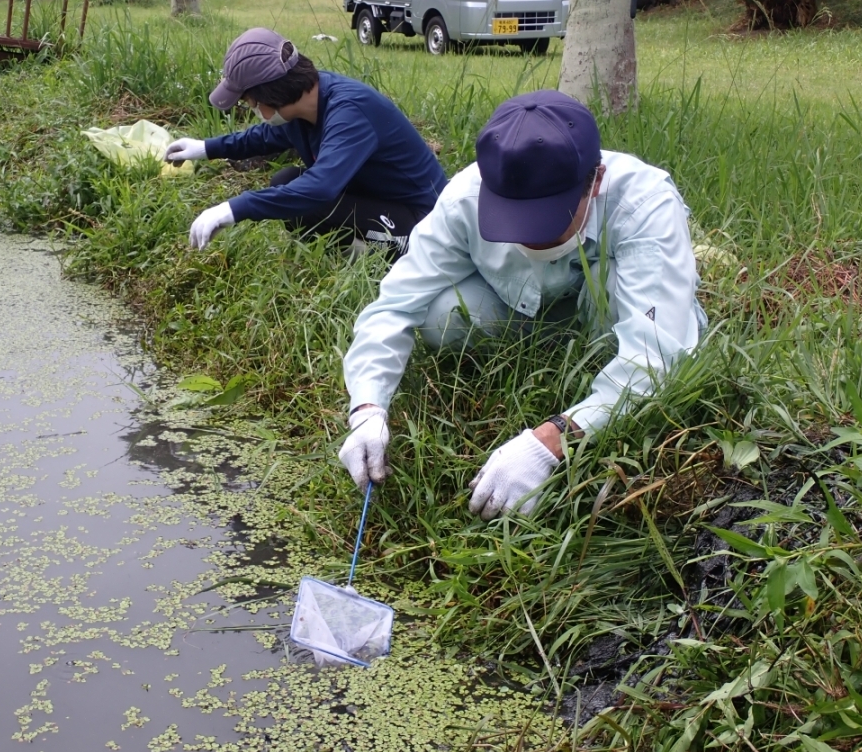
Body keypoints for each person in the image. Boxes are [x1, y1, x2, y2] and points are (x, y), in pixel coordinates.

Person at [338, 90, 707, 520]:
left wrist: (552, 439)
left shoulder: (643, 203)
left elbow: (656, 355)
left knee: (626, 322)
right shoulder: (464, 198)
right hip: (526, 316)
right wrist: (367, 406)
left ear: (597, 180)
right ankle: (552, 360)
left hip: (611, 318)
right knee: (442, 317)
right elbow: (395, 305)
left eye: (549, 218)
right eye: (513, 218)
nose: (529, 239)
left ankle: (597, 370)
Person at [165, 28, 448, 259]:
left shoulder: (349, 112)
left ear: (269, 95)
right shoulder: (305, 105)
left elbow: (321, 187)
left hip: (422, 221)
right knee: (285, 180)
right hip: (375, 200)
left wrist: (234, 209)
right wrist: (205, 148)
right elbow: (263, 138)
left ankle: (385, 256)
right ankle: (352, 251)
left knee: (312, 200)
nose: (252, 111)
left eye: (250, 104)